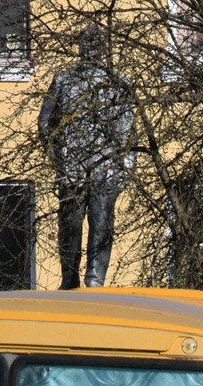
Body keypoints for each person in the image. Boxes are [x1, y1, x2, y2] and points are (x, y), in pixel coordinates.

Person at [37, 25, 136, 290]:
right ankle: (69, 278)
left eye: (96, 43)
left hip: (107, 168)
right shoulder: (64, 80)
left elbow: (127, 129)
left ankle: (95, 281)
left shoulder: (118, 82)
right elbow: (44, 121)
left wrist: (126, 167)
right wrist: (57, 155)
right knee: (70, 225)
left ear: (104, 48)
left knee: (102, 224)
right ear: (79, 46)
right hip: (72, 167)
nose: (90, 48)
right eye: (86, 42)